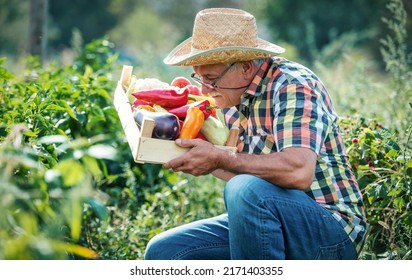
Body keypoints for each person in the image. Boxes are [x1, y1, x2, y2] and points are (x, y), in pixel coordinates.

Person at [144, 8, 369, 260]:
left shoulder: (292, 86)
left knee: (245, 188)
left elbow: (298, 171)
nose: (204, 88)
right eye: (199, 78)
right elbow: (237, 164)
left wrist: (218, 158)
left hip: (331, 230)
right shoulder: (230, 95)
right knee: (164, 251)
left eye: (211, 78)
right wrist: (189, 154)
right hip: (271, 220)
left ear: (246, 67)